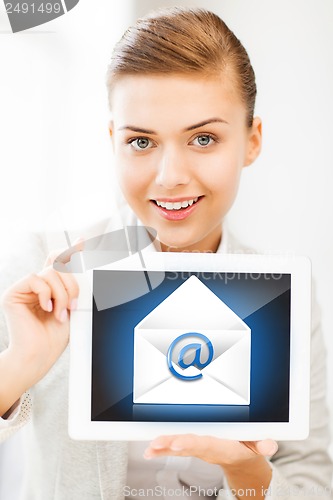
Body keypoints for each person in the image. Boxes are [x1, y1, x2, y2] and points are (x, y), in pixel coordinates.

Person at [0, 6, 332, 500]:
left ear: (252, 140)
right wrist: (19, 364)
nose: (169, 176)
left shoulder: (283, 294)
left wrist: (249, 479)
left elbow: (312, 481)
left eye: (204, 138)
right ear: (112, 141)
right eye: (140, 141)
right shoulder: (45, 268)